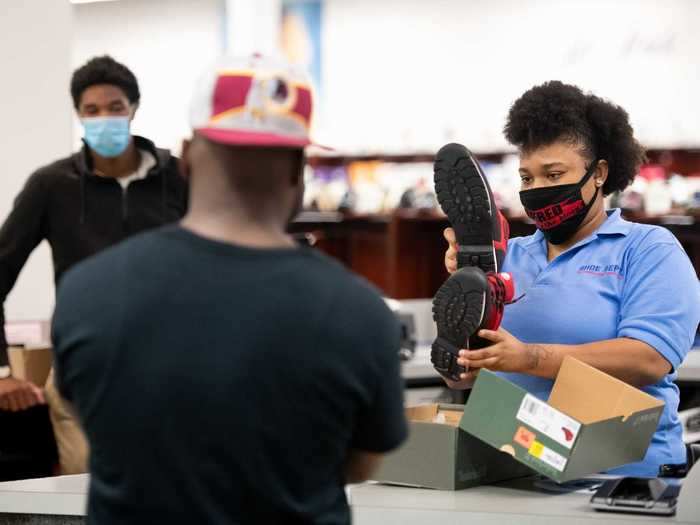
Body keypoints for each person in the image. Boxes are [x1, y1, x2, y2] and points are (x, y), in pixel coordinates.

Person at [52, 55, 407, 524]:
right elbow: (358, 466)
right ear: (298, 170)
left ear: (187, 155)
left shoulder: (86, 294)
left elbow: (90, 422)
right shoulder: (362, 314)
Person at [442, 81, 700, 477]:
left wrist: (529, 358)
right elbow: (460, 372)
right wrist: (465, 349)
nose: (538, 190)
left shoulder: (649, 250)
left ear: (598, 173)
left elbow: (649, 358)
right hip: (515, 465)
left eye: (554, 174)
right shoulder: (507, 255)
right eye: (527, 179)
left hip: (622, 475)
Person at [0, 55, 188, 475]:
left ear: (134, 108)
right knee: (89, 500)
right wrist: (1, 370)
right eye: (92, 110)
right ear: (79, 116)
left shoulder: (178, 177)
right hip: (83, 379)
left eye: (115, 107)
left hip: (171, 374)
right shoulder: (52, 185)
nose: (104, 118)